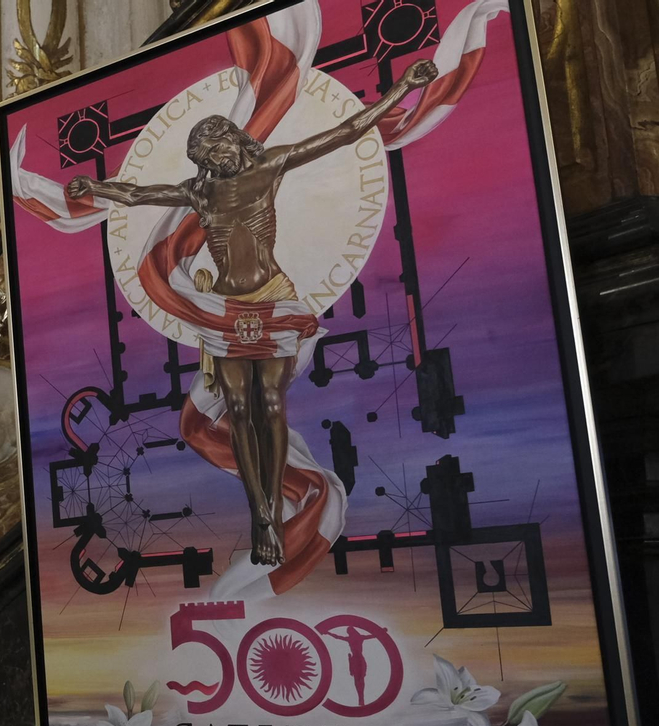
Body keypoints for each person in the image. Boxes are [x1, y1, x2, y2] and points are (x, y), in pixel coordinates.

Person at [68, 58, 439, 567]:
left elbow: (346, 130)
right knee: (239, 409)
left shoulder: (269, 166)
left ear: (236, 139)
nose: (216, 157)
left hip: (271, 298)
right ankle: (262, 514)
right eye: (205, 154)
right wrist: (93, 189)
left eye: (219, 145)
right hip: (225, 309)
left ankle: (276, 511)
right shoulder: (202, 190)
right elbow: (138, 194)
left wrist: (403, 86)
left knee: (269, 401)